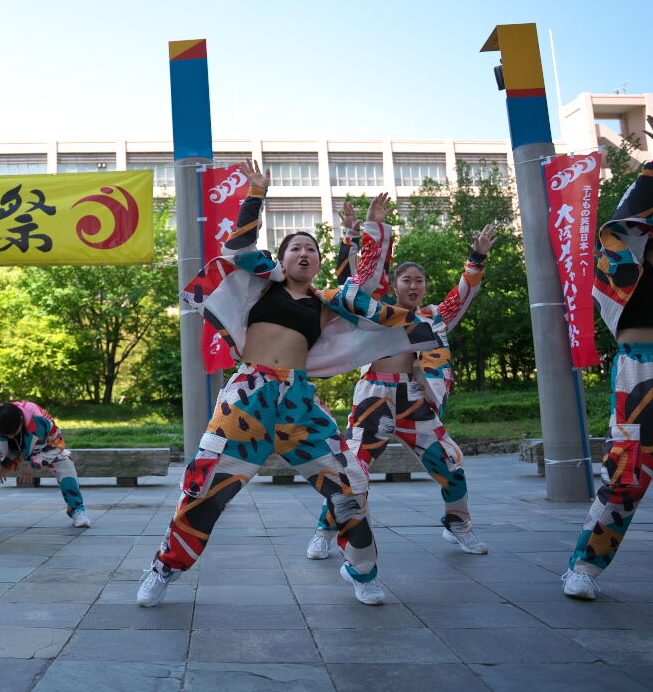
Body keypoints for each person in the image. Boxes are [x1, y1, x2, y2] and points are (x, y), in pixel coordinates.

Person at [137, 160, 437, 607]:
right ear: (282, 259)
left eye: (311, 250)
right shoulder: (262, 286)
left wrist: (373, 230)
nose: (304, 253)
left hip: (299, 402)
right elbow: (238, 246)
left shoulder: (326, 303)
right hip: (246, 397)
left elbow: (367, 287)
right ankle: (165, 567)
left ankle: (362, 571)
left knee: (350, 486)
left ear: (318, 263)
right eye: (296, 248)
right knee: (205, 489)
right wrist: (256, 193)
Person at [563, 116, 653, 599]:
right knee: (628, 475)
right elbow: (628, 212)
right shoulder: (619, 265)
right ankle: (583, 567)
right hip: (641, 369)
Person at [307, 205, 497, 558]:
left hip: (414, 398)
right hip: (374, 396)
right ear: (395, 286)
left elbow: (462, 295)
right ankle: (325, 530)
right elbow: (355, 279)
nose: (413, 285)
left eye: (418, 280)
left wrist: (477, 257)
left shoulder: (433, 318)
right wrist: (360, 233)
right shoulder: (376, 311)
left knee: (450, 463)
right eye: (406, 280)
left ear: (425, 288)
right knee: (352, 469)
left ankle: (459, 526)